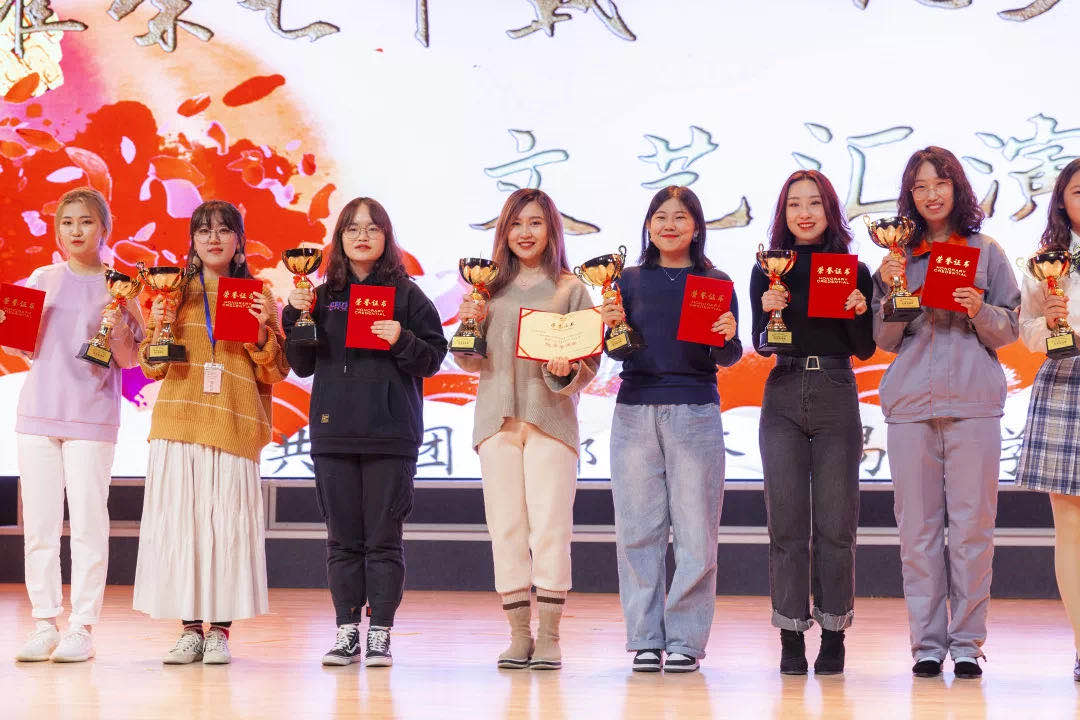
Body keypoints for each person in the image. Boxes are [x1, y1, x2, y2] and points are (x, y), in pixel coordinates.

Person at [872, 146, 1020, 679]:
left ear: (957, 188)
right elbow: (883, 339)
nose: (931, 194)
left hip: (974, 403)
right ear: (909, 196)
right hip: (910, 405)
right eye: (919, 186)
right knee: (918, 532)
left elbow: (1010, 327)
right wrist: (893, 291)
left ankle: (967, 644)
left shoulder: (986, 251)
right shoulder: (897, 257)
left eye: (940, 183)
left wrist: (979, 309)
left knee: (974, 529)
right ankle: (927, 645)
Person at [284, 197, 447, 667]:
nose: (362, 236)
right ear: (338, 238)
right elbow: (301, 364)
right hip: (333, 434)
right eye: (352, 228)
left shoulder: (408, 295)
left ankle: (380, 632)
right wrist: (294, 316)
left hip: (390, 436)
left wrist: (402, 338)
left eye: (372, 228)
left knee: (383, 540)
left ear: (386, 238)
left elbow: (433, 358)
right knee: (341, 540)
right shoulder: (318, 295)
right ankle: (345, 631)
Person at [132, 200, 289, 665]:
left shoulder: (258, 294)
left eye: (223, 230)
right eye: (204, 230)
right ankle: (189, 630)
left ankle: (220, 630)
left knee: (226, 531)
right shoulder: (173, 292)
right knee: (184, 526)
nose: (213, 238)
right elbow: (149, 366)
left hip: (234, 424)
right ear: (193, 241)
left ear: (239, 240)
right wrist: (160, 327)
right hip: (178, 423)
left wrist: (260, 333)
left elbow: (277, 369)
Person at [455, 188, 598, 670]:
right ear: (504, 231)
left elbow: (589, 363)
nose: (525, 232)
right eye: (516, 223)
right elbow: (468, 360)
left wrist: (566, 369)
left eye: (535, 222)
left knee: (551, 529)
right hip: (496, 423)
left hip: (549, 422)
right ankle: (519, 635)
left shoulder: (571, 289)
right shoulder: (486, 289)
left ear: (551, 229)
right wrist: (466, 326)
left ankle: (551, 636)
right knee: (506, 529)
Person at [601, 185, 741, 673]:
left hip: (695, 411)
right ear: (648, 225)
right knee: (637, 532)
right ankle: (644, 638)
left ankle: (685, 640)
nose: (669, 225)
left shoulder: (715, 282)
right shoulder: (627, 280)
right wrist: (610, 327)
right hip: (634, 411)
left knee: (696, 534)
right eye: (660, 216)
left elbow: (727, 356)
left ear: (696, 227)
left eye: (680, 217)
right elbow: (616, 351)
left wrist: (727, 336)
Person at [9, 188, 144, 663]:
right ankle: (44, 623)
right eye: (67, 222)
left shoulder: (121, 285)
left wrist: (120, 322)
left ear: (104, 228)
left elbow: (131, 359)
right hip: (38, 413)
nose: (75, 231)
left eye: (85, 221)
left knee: (88, 524)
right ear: (57, 230)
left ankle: (82, 627)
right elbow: (21, 347)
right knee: (40, 527)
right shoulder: (41, 279)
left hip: (92, 415)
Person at [750, 170, 875, 675]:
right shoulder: (766, 269)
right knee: (786, 522)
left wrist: (859, 310)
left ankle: (834, 634)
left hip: (836, 390)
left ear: (830, 211)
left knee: (836, 523)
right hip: (782, 390)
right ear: (783, 214)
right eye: (794, 204)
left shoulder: (853, 269)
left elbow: (864, 348)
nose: (804, 213)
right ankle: (790, 635)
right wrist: (768, 312)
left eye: (815, 203)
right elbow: (762, 344)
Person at [1014, 157, 1080, 682]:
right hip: (1066, 382)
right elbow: (1028, 330)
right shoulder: (1046, 263)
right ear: (1062, 202)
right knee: (1072, 527)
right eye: (1079, 191)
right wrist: (1051, 326)